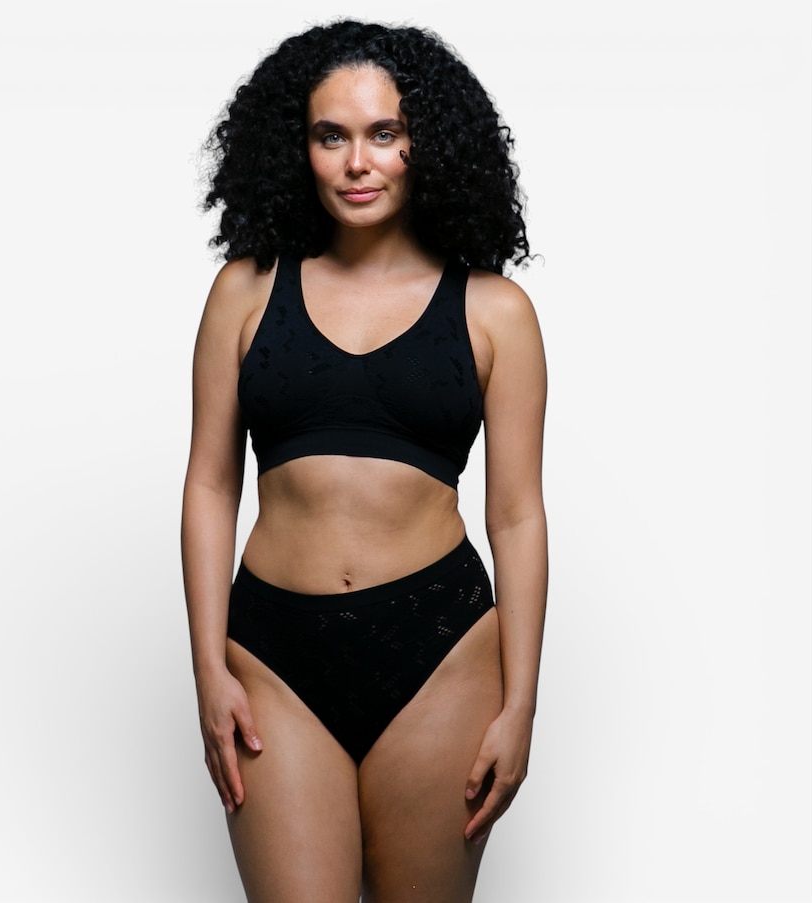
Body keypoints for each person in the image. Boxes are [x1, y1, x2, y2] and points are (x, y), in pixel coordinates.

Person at [181, 19, 548, 903]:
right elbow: (210, 484)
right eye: (331, 135)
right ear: (296, 147)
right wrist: (207, 668)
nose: (357, 162)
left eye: (385, 133)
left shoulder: (496, 311)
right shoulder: (245, 290)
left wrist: (521, 705)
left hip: (442, 653)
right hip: (271, 655)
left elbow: (516, 516)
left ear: (429, 144)